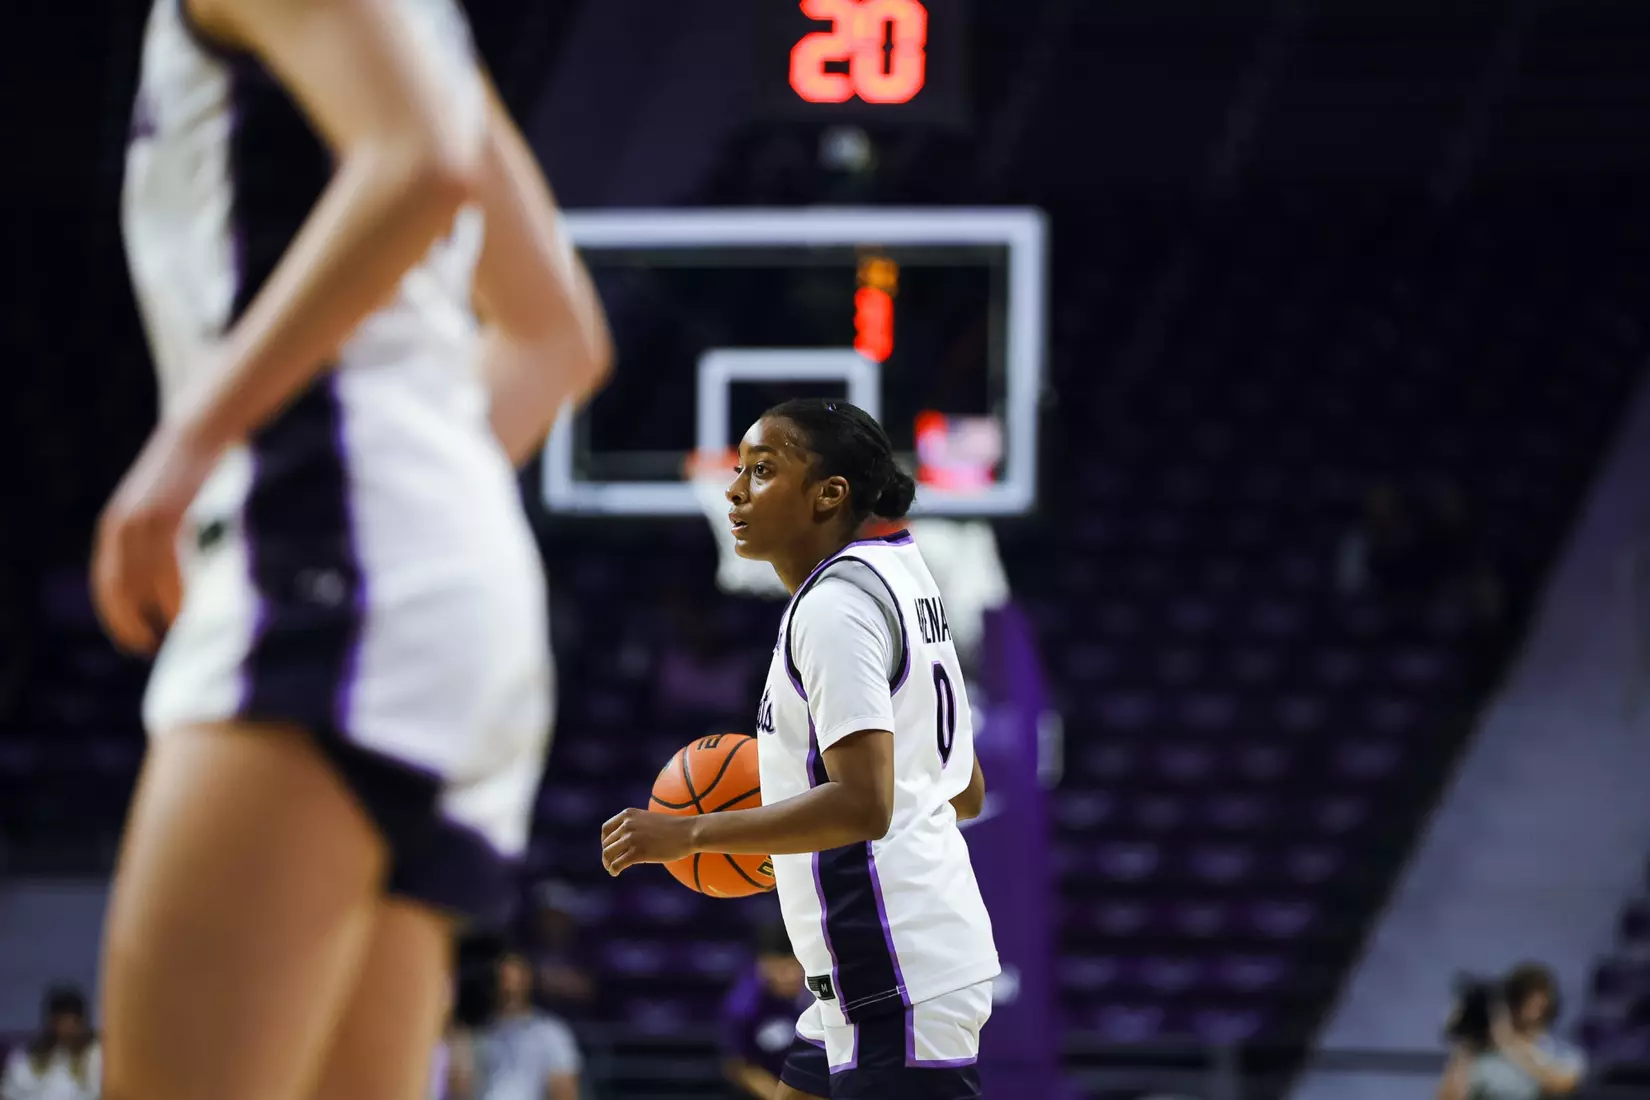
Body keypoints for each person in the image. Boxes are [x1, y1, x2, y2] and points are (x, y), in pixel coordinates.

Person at [98, 1, 611, 1099]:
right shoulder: (407, 28)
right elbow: (556, 331)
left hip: (333, 556)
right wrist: (426, 500)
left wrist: (194, 440)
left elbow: (419, 164)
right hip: (441, 577)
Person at [602, 398, 997, 1099]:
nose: (732, 489)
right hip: (872, 972)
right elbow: (962, 787)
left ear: (829, 495)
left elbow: (864, 805)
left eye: (761, 470)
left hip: (892, 971)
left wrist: (690, 832)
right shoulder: (905, 578)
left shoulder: (834, 608)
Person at [1436, 963, 1585, 1100]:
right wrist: (1466, 1045)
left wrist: (1507, 1042)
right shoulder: (1481, 1058)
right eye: (1523, 1000)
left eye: (1537, 1004)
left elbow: (1561, 1086)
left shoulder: (1560, 1053)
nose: (1530, 1010)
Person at [471, 953, 582, 1100]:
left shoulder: (552, 1033)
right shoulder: (481, 1033)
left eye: (514, 982)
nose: (509, 988)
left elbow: (564, 1091)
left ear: (527, 982)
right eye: (503, 981)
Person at [721, 922, 810, 1099]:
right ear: (763, 965)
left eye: (796, 967)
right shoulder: (744, 1005)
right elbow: (740, 1066)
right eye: (782, 969)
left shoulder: (819, 994)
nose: (791, 975)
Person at [0, 985, 100, 1100]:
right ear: (51, 1021)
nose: (66, 1029)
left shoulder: (96, 1057)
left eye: (72, 1023)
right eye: (61, 1022)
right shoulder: (26, 1058)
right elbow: (8, 1093)